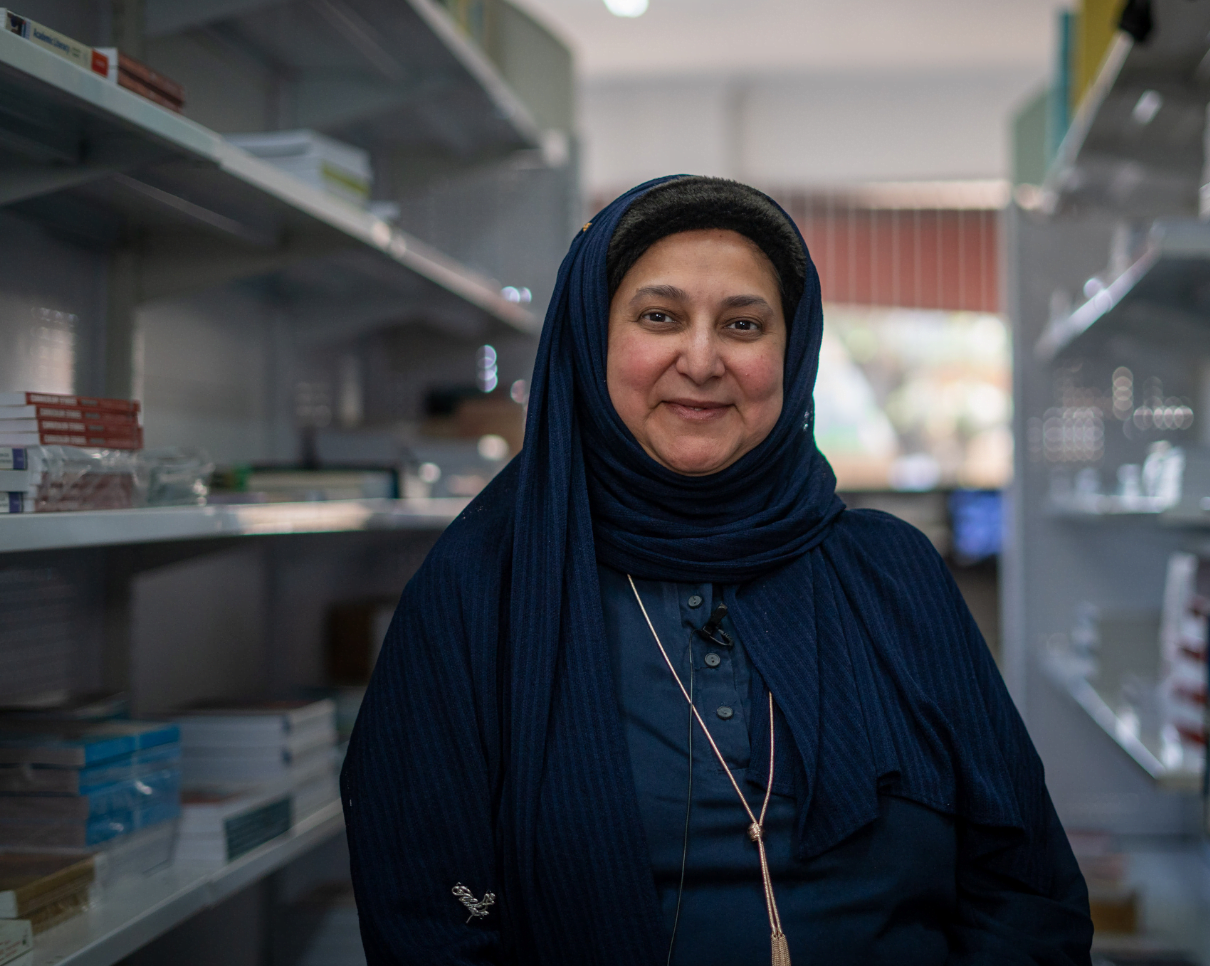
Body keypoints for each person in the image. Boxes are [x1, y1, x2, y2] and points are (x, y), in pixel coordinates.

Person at [341, 176, 1093, 966]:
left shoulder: (894, 573)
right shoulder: (481, 589)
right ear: (591, 340)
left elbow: (1025, 888)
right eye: (659, 317)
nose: (701, 361)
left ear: (791, 353)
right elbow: (430, 926)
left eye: (742, 324)